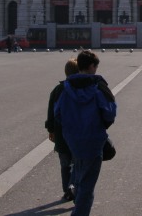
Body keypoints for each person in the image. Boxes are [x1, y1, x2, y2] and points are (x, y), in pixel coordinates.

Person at [55, 50, 117, 216]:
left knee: (80, 175)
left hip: (73, 141)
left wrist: (71, 129)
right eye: (96, 66)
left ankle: (74, 192)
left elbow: (58, 113)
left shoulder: (65, 88)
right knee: (87, 186)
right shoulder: (98, 87)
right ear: (91, 66)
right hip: (93, 140)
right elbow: (110, 113)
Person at [45, 58, 79, 202]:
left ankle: (67, 190)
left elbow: (51, 113)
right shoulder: (82, 89)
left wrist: (51, 130)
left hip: (61, 134)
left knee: (65, 164)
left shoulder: (58, 90)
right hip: (78, 134)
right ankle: (75, 187)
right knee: (78, 164)